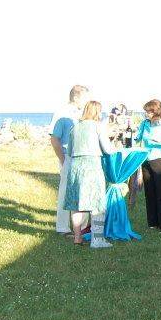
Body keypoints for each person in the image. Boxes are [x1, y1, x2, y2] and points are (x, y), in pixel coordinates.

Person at [63, 100, 114, 248]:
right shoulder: (98, 126)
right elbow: (108, 149)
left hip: (76, 166)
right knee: (96, 203)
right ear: (97, 112)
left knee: (76, 203)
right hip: (91, 166)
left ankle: (77, 237)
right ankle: (97, 240)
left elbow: (69, 150)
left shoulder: (75, 127)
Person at [49, 84, 89, 234]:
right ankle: (62, 227)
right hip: (68, 156)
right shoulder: (61, 113)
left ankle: (83, 227)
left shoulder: (82, 113)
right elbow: (54, 139)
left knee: (83, 191)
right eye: (85, 98)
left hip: (82, 156)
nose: (87, 102)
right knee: (65, 192)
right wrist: (63, 159)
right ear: (77, 97)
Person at [136, 99, 161, 232]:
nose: (146, 114)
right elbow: (137, 138)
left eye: (149, 111)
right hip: (146, 161)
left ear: (156, 111)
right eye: (145, 112)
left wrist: (159, 141)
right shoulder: (144, 124)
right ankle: (152, 222)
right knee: (149, 193)